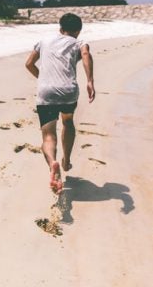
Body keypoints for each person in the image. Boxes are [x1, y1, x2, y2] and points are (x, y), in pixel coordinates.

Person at [25, 13, 95, 194]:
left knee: (48, 136)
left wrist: (43, 80)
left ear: (60, 28)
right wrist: (90, 81)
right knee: (67, 122)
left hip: (46, 93)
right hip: (68, 92)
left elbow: (29, 63)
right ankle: (66, 161)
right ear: (78, 31)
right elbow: (86, 54)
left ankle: (52, 164)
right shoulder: (79, 43)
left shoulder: (45, 40)